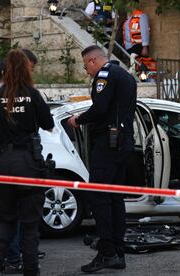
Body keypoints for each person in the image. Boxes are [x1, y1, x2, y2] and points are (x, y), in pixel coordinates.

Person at [0, 49, 54, 276]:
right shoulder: (32, 94)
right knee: (30, 224)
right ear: (26, 68)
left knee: (6, 220)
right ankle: (31, 270)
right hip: (27, 164)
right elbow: (48, 123)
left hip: (0, 164)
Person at [67, 45, 136, 273]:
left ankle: (107, 252)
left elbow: (100, 108)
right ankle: (118, 251)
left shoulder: (105, 74)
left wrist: (79, 119)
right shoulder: (126, 75)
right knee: (115, 199)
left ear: (93, 61)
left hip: (108, 141)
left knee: (99, 197)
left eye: (86, 65)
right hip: (123, 140)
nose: (86, 70)